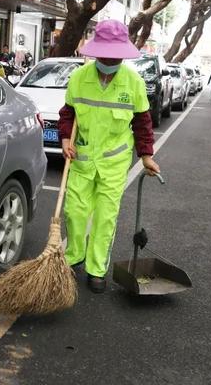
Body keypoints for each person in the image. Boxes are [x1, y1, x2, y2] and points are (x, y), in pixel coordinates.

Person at [57, 19, 160, 294]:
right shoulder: (79, 78)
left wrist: (146, 155)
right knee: (75, 213)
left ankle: (96, 269)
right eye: (105, 55)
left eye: (115, 56)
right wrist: (66, 139)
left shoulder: (133, 82)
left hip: (114, 164)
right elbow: (67, 113)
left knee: (104, 218)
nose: (109, 60)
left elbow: (142, 122)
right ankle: (74, 256)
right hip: (81, 160)